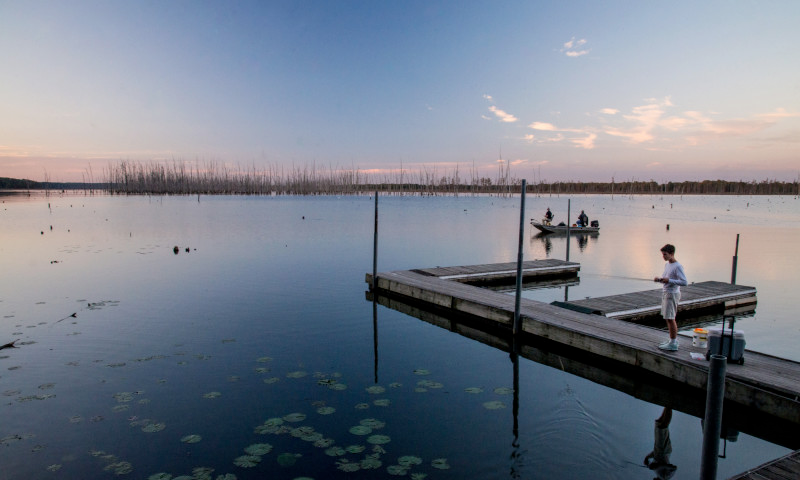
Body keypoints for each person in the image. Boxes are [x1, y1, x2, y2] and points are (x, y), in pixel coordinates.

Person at [654, 244, 688, 351]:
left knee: (671, 318)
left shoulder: (678, 266)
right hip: (666, 293)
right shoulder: (667, 265)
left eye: (665, 254)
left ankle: (673, 343)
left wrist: (669, 280)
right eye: (662, 254)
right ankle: (672, 340)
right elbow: (667, 278)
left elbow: (684, 282)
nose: (663, 256)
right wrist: (659, 279)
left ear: (672, 254)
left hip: (672, 294)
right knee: (667, 318)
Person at [644, 407, 677, 479]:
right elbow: (674, 468)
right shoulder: (665, 477)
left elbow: (656, 456)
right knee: (662, 427)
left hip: (660, 451)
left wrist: (648, 457)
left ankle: (667, 404)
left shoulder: (658, 474)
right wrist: (657, 466)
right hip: (664, 451)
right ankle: (670, 405)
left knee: (658, 422)